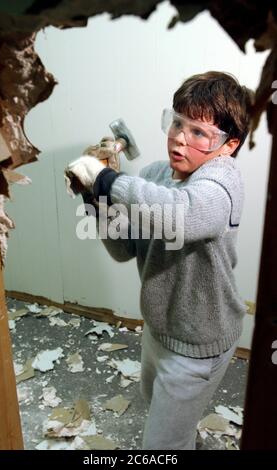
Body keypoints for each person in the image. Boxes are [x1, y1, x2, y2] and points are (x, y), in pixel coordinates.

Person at [65, 71, 252, 450]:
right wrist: (96, 197)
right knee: (162, 416)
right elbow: (123, 249)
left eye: (199, 132)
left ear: (228, 146)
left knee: (162, 445)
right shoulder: (153, 177)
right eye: (177, 122)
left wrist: (108, 181)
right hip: (159, 327)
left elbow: (180, 215)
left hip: (200, 342)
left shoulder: (222, 185)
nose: (180, 137)